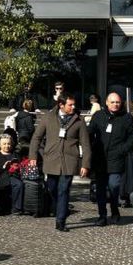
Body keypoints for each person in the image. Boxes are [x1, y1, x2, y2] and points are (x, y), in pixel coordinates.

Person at [28, 93, 90, 232]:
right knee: (52, 188)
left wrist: (85, 164)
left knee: (63, 190)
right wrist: (33, 155)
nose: (73, 107)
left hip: (69, 161)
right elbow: (37, 137)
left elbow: (85, 144)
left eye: (74, 104)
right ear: (61, 105)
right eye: (70, 104)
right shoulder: (48, 117)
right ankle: (59, 208)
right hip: (51, 160)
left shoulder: (79, 120)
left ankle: (60, 220)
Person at [87, 92, 133, 226]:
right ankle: (102, 215)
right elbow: (90, 132)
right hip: (100, 158)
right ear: (107, 103)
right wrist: (90, 147)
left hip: (117, 157)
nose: (115, 105)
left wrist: (124, 149)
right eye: (113, 102)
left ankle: (114, 209)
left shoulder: (126, 117)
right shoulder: (98, 116)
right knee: (101, 188)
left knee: (114, 185)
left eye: (118, 102)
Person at [0, 134, 23, 214]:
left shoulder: (15, 155)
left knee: (18, 184)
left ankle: (16, 208)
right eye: (4, 144)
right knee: (13, 184)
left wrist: (17, 167)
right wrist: (3, 167)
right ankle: (9, 207)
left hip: (13, 176)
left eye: (8, 144)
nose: (7, 146)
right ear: (0, 145)